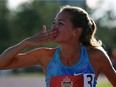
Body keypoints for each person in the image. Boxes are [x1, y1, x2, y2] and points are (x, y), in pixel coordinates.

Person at [0, 5, 116, 87]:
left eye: (60, 24)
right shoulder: (46, 56)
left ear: (76, 32)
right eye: (54, 23)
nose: (54, 27)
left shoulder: (96, 56)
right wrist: (26, 42)